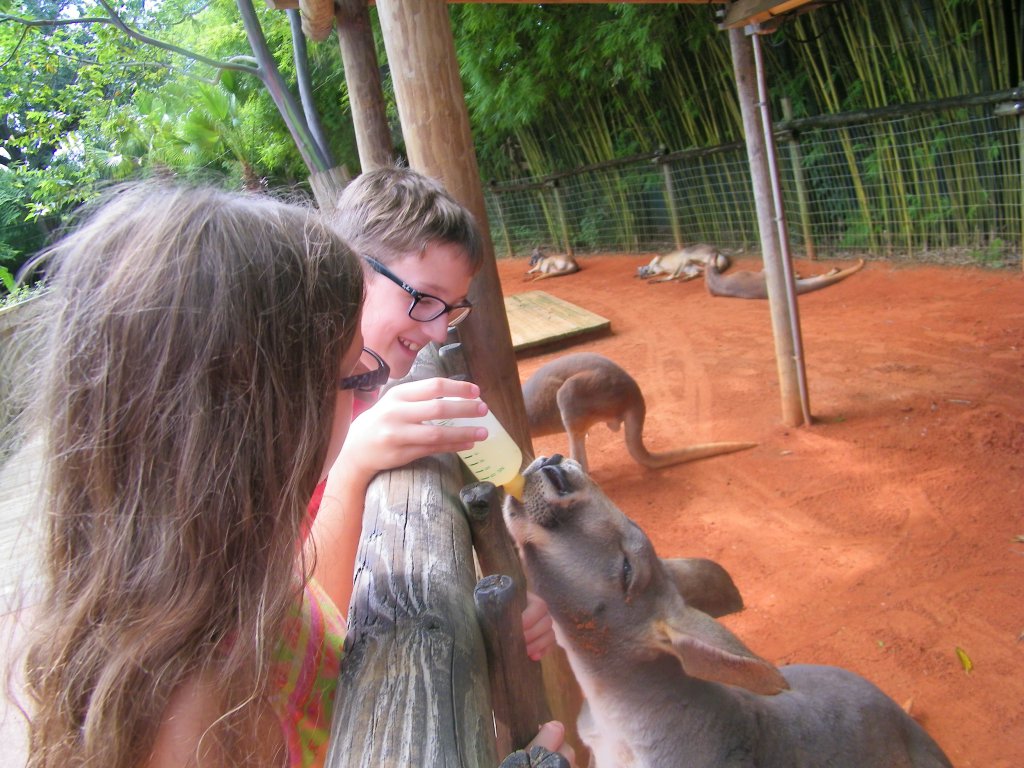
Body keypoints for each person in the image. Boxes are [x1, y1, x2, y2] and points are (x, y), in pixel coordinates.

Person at [17, 182, 367, 768]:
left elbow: (319, 646)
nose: (358, 407)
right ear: (261, 419)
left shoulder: (234, 571)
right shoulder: (196, 722)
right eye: (349, 378)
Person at [310, 167, 557, 665]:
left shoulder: (372, 392)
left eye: (452, 309)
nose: (442, 332)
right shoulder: (290, 408)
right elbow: (304, 628)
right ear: (351, 271)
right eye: (423, 299)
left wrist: (495, 611)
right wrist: (353, 462)